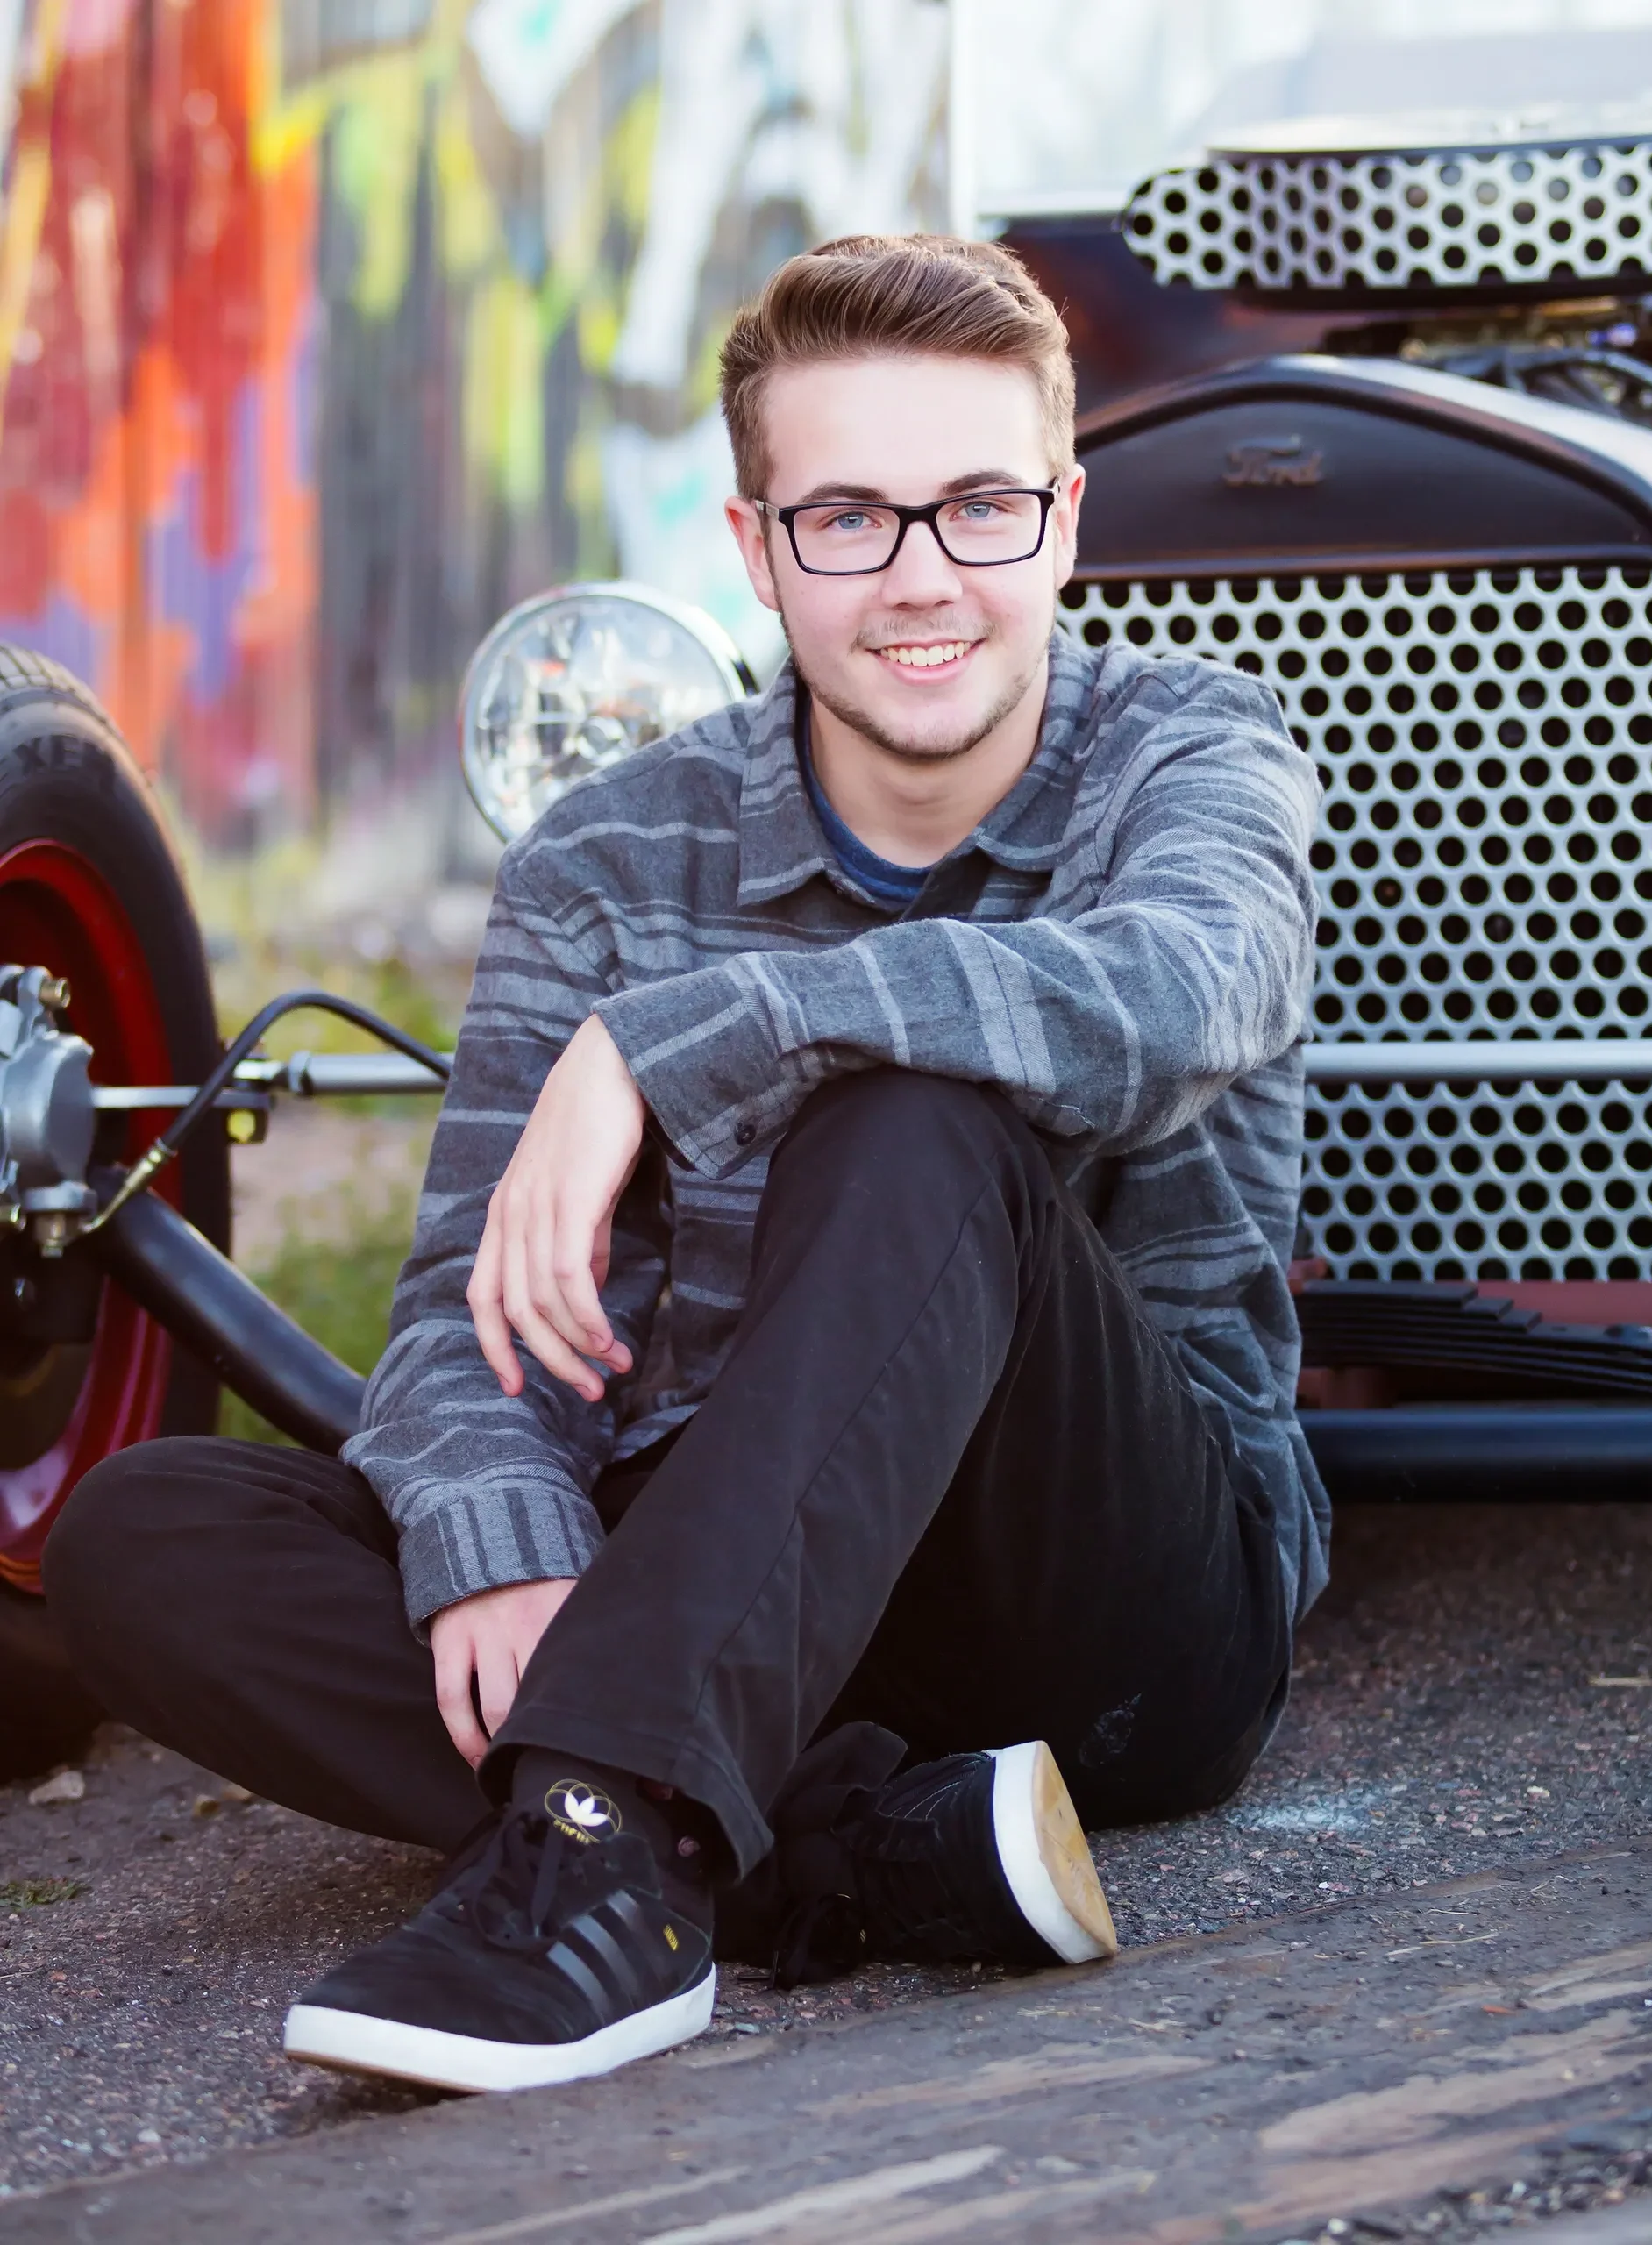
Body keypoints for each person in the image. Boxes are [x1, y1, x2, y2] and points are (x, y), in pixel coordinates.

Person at [45, 233, 1327, 2097]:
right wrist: (500, 1533)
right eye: (846, 520)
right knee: (152, 1534)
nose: (918, 580)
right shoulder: (604, 855)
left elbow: (1187, 987)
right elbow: (458, 1311)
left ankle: (593, 1871)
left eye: (975, 508)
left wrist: (684, 1036)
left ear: (1060, 521)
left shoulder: (1190, 748)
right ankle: (860, 1844)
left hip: (1106, 1602)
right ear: (754, 548)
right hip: (715, 1577)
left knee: (915, 1113)